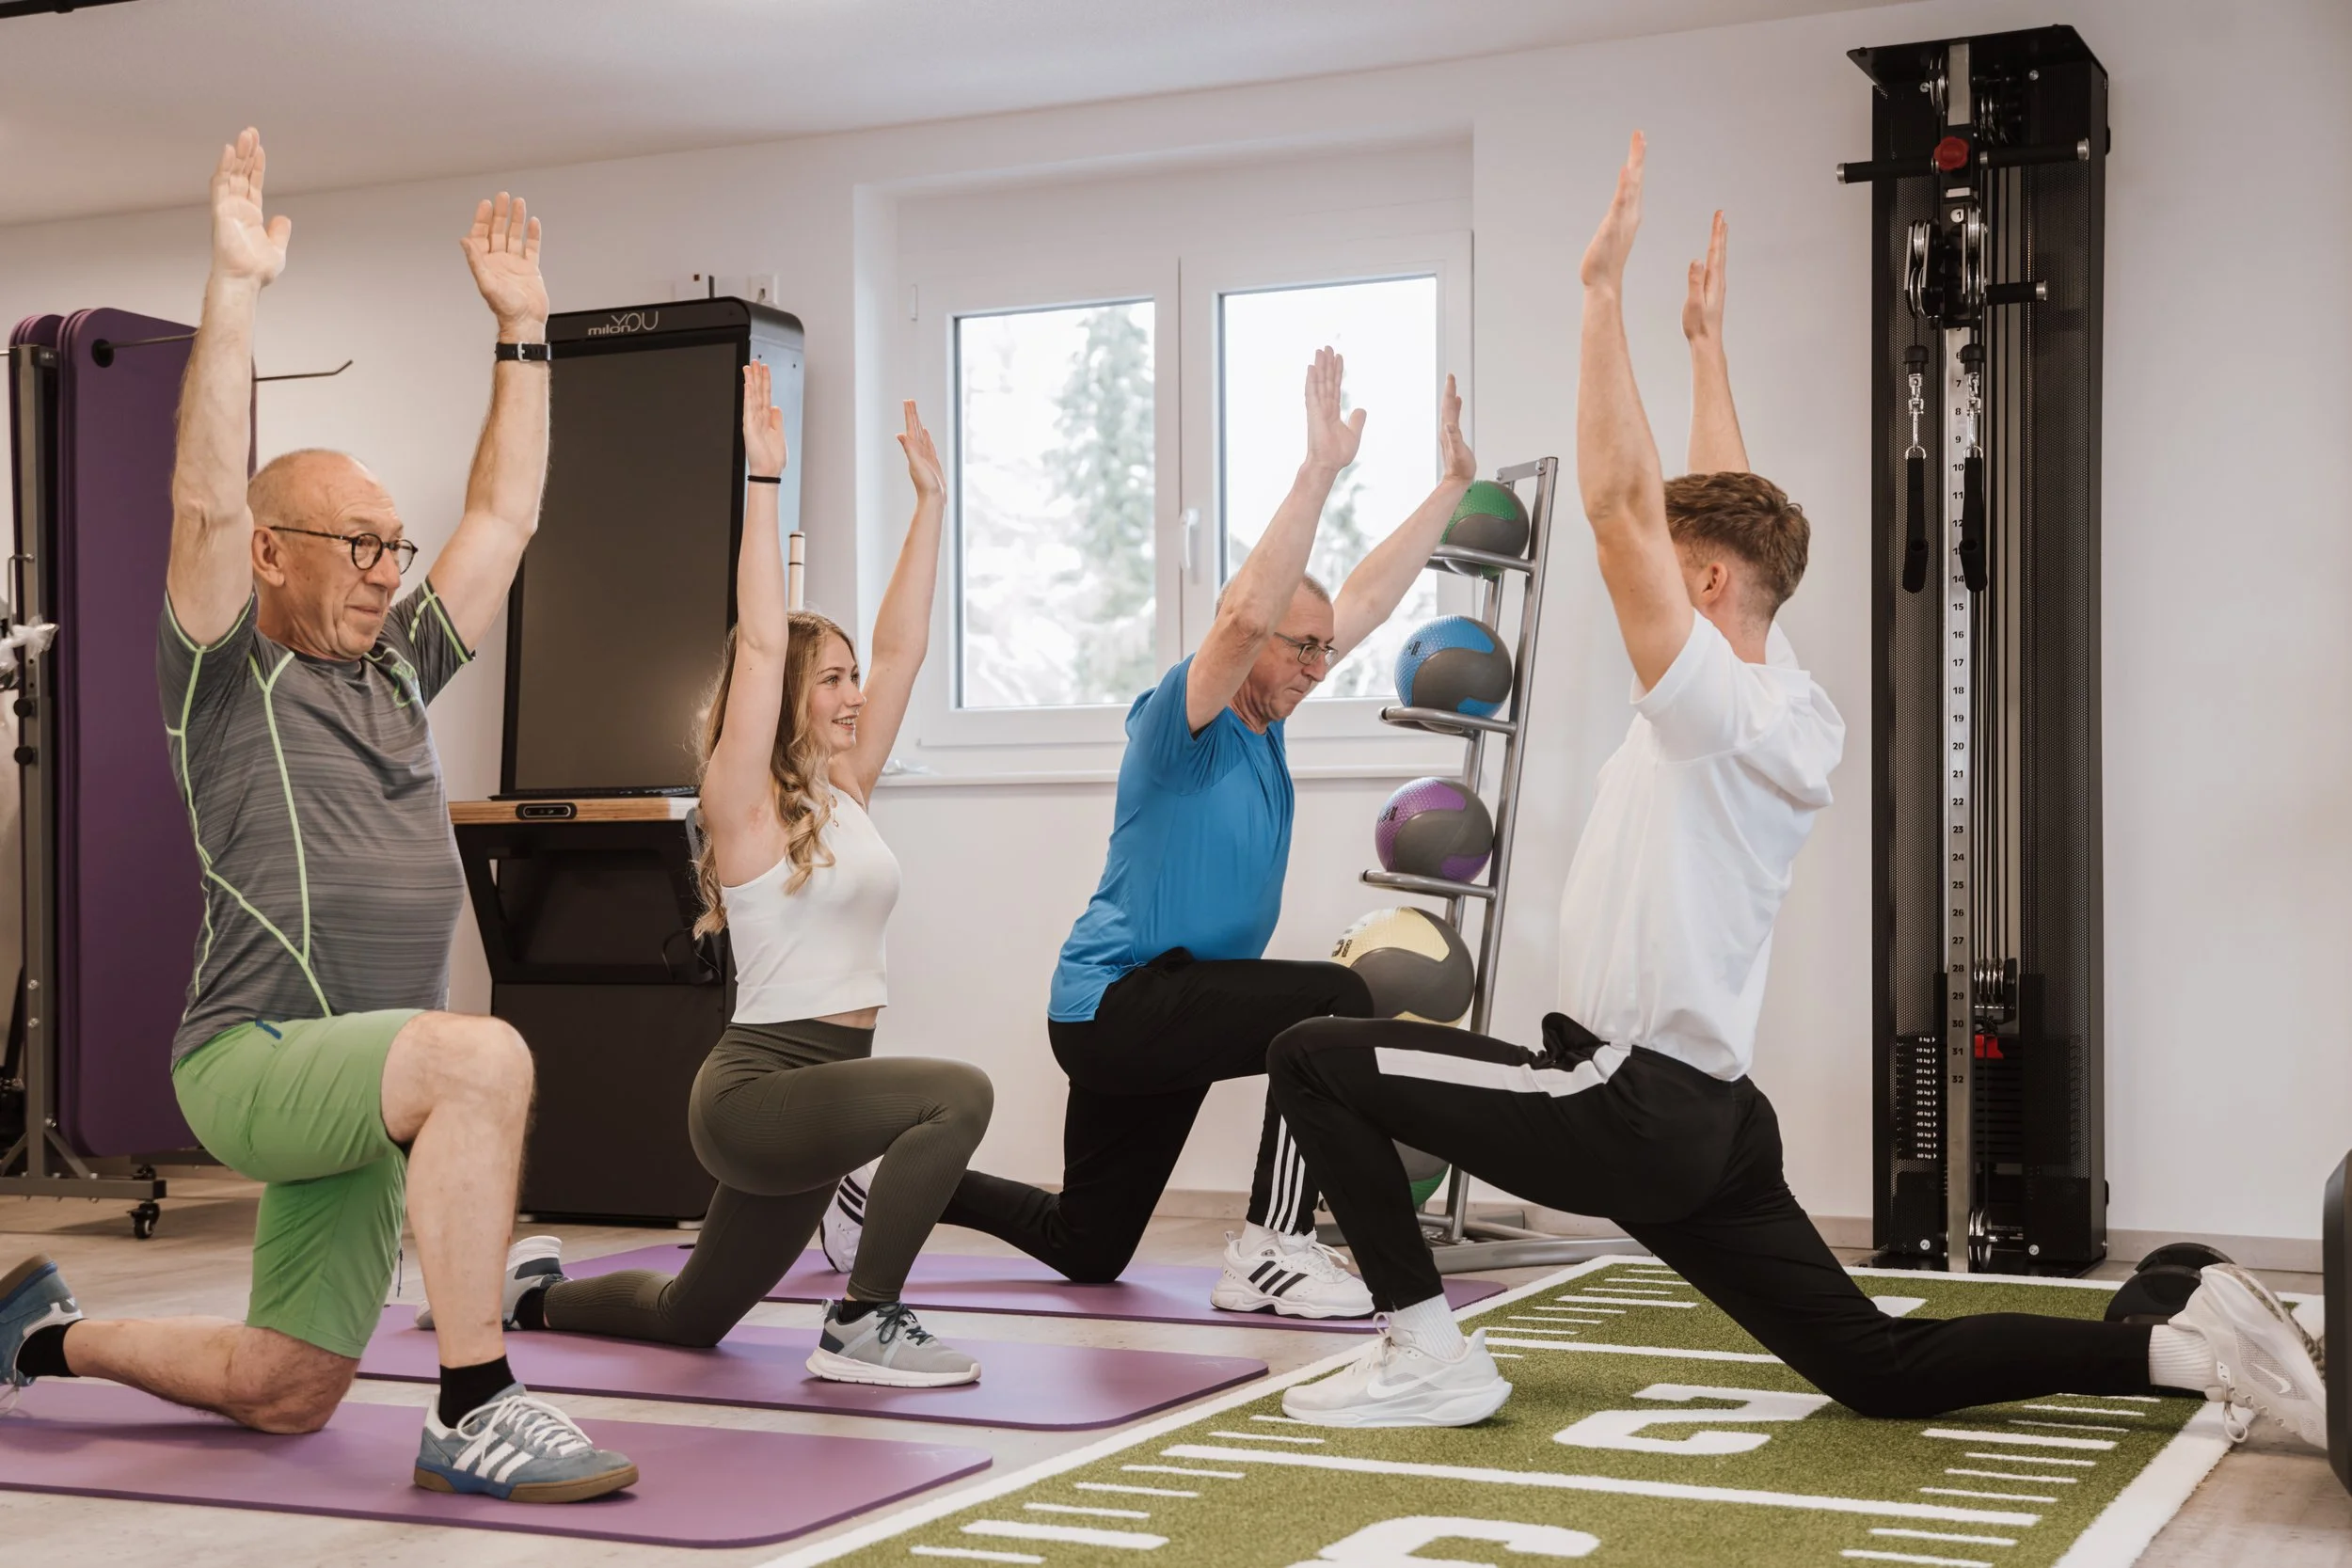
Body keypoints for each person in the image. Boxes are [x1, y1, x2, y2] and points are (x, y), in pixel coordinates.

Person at [1269, 133, 2330, 1445]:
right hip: (1711, 1116)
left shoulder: (1711, 708)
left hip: (1622, 1098)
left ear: (1704, 586)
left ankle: (1426, 1354)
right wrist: (1708, 350)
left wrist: (1600, 297)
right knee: (1873, 1364)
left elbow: (1615, 508)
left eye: (1676, 559)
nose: (1651, 565)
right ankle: (2173, 1342)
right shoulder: (1788, 698)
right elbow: (1730, 515)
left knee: (1312, 1054)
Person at [0, 129, 638, 1500]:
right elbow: (200, 492)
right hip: (257, 1057)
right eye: (356, 542)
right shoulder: (226, 673)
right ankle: (475, 1403)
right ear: (273, 551)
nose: (383, 566)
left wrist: (524, 334)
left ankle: (40, 1333)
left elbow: (506, 513)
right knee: (485, 1057)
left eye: (392, 545)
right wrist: (234, 290)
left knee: (289, 1389)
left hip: (370, 1084)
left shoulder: (403, 664)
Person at [830, 350, 1478, 1319]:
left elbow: (1364, 598)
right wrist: (1316, 473)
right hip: (1117, 1003)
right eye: (1298, 646)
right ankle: (1274, 1243)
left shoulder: (1270, 721)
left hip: (1153, 1015)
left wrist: (1453, 487)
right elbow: (1244, 611)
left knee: (1088, 1243)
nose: (1315, 663)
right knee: (1336, 1001)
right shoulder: (1187, 724)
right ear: (1250, 641)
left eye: (1321, 649)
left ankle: (877, 1187)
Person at [514, 369, 993, 1386]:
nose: (857, 693)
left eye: (854, 676)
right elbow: (764, 635)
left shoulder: (847, 789)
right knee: (956, 1096)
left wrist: (934, 504)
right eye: (834, 679)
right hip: (758, 1091)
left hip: (817, 1096)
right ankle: (865, 1318)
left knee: (692, 1317)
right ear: (783, 693)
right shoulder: (743, 803)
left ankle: (530, 1296)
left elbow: (907, 645)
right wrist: (762, 477)